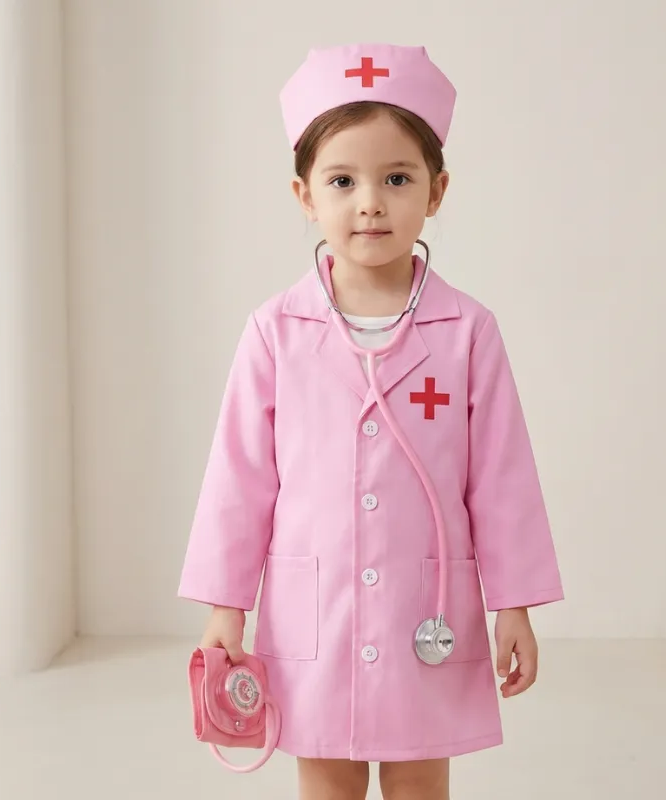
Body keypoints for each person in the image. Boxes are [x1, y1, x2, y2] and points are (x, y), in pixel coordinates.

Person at [178, 43, 564, 800]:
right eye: (342, 180)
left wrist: (512, 605)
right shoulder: (275, 332)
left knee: (419, 776)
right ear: (304, 195)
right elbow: (239, 482)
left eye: (397, 178)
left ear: (437, 189)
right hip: (313, 613)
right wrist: (227, 609)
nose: (370, 203)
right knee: (326, 774)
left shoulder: (468, 331)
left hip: (426, 610)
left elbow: (502, 480)